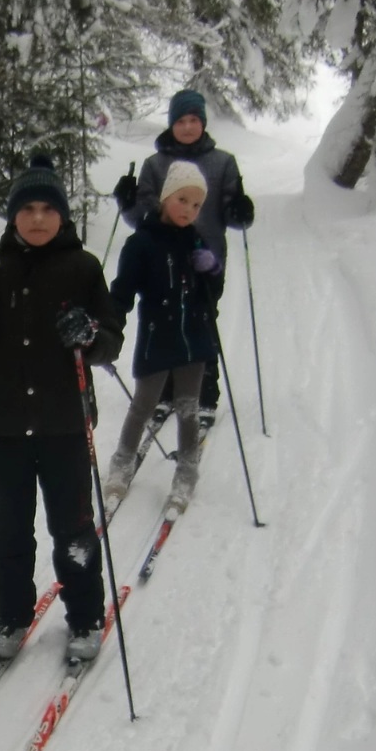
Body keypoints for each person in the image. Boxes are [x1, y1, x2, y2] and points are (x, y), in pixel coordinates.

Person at [0, 154, 124, 667]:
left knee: (73, 526)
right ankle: (13, 614)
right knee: (6, 528)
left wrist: (89, 336)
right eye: (28, 208)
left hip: (65, 423)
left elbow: (110, 338)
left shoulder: (83, 268)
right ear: (13, 216)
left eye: (48, 208)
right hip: (1, 427)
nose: (38, 218)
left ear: (62, 215)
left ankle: (86, 616)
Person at [112, 89, 256, 421]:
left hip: (204, 261)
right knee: (161, 326)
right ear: (171, 124)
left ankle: (204, 393)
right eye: (181, 120)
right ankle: (163, 393)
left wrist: (241, 210)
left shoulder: (223, 162)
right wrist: (129, 202)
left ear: (203, 123)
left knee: (201, 325)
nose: (188, 126)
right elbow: (141, 219)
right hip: (160, 262)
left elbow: (234, 218)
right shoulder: (154, 164)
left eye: (194, 120)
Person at [106, 163, 219, 513]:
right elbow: (121, 294)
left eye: (197, 205)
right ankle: (122, 463)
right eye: (182, 199)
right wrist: (106, 334)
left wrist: (212, 270)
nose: (189, 209)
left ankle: (187, 471)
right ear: (166, 197)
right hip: (157, 340)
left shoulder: (197, 241)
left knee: (188, 408)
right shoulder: (142, 243)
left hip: (194, 340)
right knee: (142, 405)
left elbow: (212, 294)